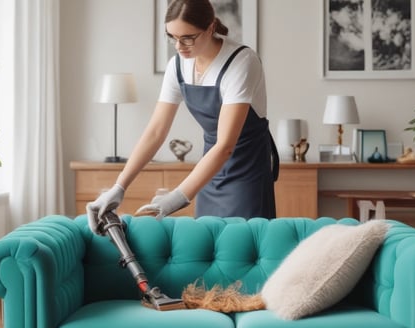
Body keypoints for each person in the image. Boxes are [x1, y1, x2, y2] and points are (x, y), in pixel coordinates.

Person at [87, 0, 278, 234]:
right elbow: (156, 131)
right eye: (172, 37)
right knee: (208, 247)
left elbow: (226, 146)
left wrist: (177, 197)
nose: (179, 46)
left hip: (247, 171)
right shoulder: (177, 65)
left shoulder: (241, 61)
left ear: (210, 28)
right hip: (208, 171)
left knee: (243, 247)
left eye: (187, 37)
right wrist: (119, 186)